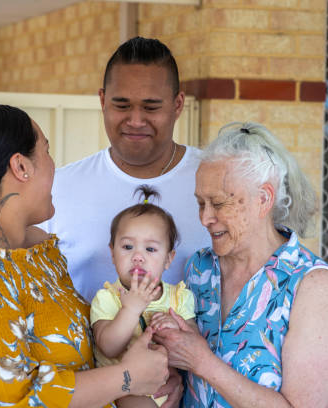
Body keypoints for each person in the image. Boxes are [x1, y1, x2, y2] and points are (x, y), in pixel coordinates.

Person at [0, 104, 170, 408]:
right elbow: (11, 400)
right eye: (46, 151)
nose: (53, 165)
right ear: (21, 166)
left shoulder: (35, 248)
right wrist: (128, 377)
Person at [153, 122, 328, 407]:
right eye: (200, 203)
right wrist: (174, 376)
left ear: (263, 199)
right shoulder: (200, 269)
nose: (205, 218)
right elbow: (189, 369)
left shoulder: (311, 284)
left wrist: (202, 362)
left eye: (218, 204)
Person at [39, 36, 211, 303]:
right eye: (122, 106)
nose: (136, 120)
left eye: (151, 107)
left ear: (178, 105)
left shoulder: (215, 182)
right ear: (103, 100)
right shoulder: (58, 188)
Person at [90, 186, 198, 408]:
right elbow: (108, 347)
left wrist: (175, 329)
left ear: (168, 259)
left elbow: (194, 347)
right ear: (112, 253)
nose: (138, 257)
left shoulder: (179, 297)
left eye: (150, 249)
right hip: (123, 390)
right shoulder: (108, 297)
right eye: (127, 246)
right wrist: (130, 310)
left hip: (166, 388)